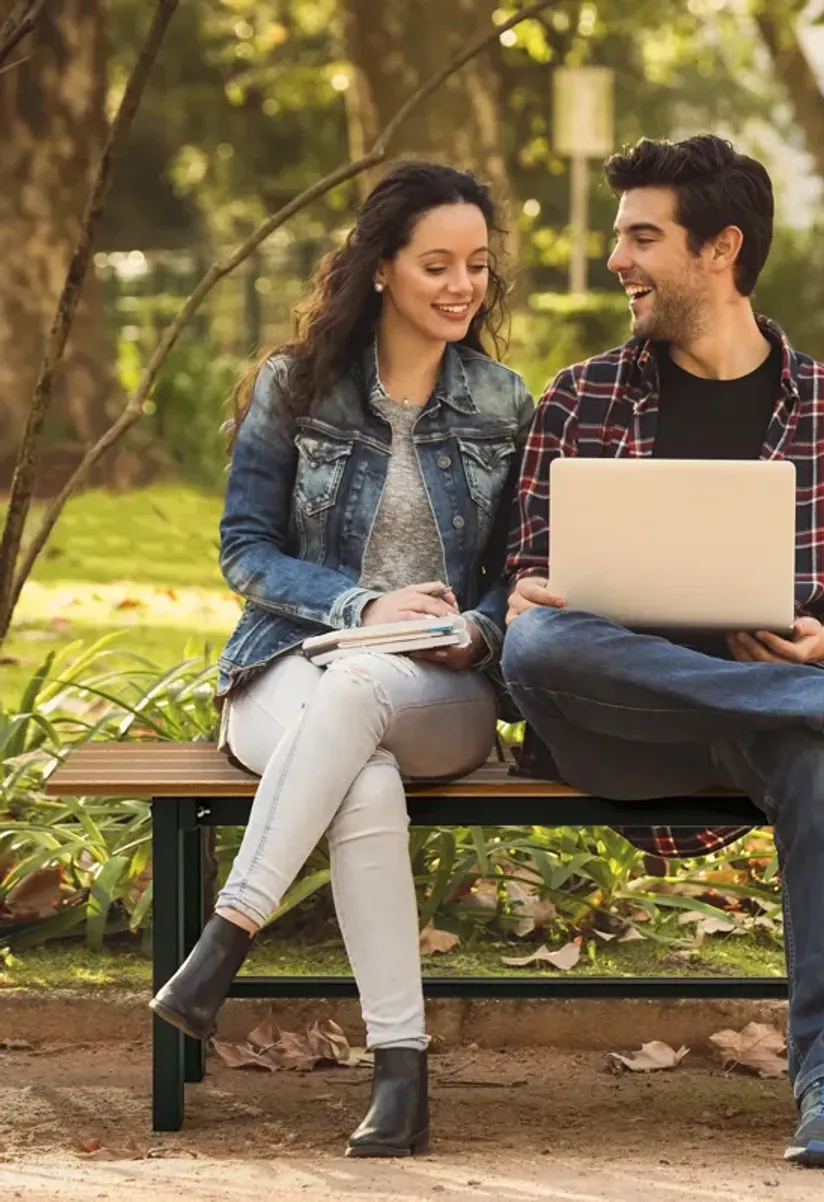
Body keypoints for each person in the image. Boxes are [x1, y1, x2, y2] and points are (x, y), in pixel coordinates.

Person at [500, 135, 824, 1170]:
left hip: (767, 727)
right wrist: (525, 589)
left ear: (721, 248)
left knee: (820, 766)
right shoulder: (579, 400)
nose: (617, 258)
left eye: (641, 237)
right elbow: (523, 582)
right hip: (615, 726)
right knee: (535, 639)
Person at [149, 161, 533, 1158]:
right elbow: (245, 549)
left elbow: (522, 571)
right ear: (380, 268)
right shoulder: (297, 385)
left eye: (478, 267)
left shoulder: (502, 401)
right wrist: (362, 603)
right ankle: (401, 1077)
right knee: (360, 778)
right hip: (290, 663)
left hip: (435, 685)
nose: (462, 286)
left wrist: (476, 629)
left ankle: (224, 941)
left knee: (368, 687)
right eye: (437, 264)